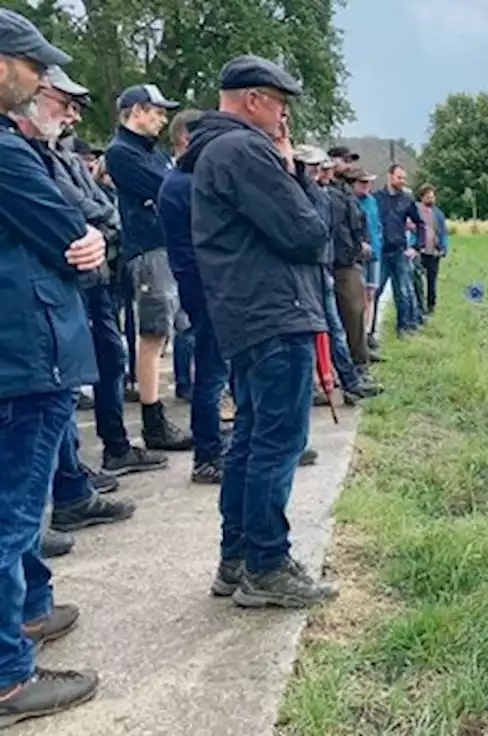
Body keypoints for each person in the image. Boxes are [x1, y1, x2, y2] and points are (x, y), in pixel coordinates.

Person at [180, 54, 337, 607]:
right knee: (278, 444)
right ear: (253, 100)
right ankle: (268, 565)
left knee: (248, 442)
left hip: (246, 316)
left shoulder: (212, 152)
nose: (283, 117)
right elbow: (308, 232)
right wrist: (292, 170)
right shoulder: (246, 150)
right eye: (280, 104)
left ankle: (238, 557)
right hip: (276, 311)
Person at [0, 7, 102, 723]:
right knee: (9, 519)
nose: (39, 79)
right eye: (32, 64)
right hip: (25, 352)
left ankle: (26, 620)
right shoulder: (5, 150)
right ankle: (9, 677)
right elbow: (69, 227)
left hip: (21, 347)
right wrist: (90, 236)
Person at [15, 69, 138, 536]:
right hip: (40, 305)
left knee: (73, 383)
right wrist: (94, 232)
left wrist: (98, 232)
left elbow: (91, 212)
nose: (70, 114)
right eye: (61, 101)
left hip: (70, 290)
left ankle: (68, 489)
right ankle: (67, 492)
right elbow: (69, 220)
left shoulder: (50, 153)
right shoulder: (17, 154)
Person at [46, 72, 169, 479]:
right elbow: (75, 204)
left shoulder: (61, 154)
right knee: (72, 371)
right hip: (80, 270)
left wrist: (104, 221)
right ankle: (73, 475)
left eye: (76, 108)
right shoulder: (101, 153)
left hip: (98, 269)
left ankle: (109, 450)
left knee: (109, 357)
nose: (74, 117)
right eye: (66, 106)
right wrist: (105, 222)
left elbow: (101, 202)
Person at [105, 82, 192, 451]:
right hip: (147, 249)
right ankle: (152, 419)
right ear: (136, 111)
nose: (162, 119)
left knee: (172, 329)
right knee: (152, 335)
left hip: (166, 247)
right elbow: (167, 187)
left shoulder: (148, 151)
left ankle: (158, 415)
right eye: (156, 111)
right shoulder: (122, 152)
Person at [159, 108, 233, 484]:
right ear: (187, 139)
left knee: (217, 370)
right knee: (211, 372)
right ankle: (207, 455)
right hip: (207, 289)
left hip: (205, 286)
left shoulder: (181, 180)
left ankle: (218, 444)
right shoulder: (183, 183)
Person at [324, 146, 375, 369]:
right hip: (339, 260)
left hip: (351, 258)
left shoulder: (345, 190)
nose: (348, 164)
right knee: (349, 313)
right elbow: (336, 228)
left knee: (356, 311)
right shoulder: (328, 192)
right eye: (344, 160)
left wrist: (361, 242)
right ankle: (353, 365)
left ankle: (358, 358)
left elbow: (358, 221)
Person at [372, 163, 424, 337]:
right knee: (375, 291)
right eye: (399, 177)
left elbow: (420, 224)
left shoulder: (407, 200)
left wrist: (416, 247)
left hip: (399, 250)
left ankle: (404, 326)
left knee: (402, 290)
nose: (402, 181)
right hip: (380, 251)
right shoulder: (376, 198)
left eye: (404, 178)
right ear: (390, 176)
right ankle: (370, 330)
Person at [354, 170, 383, 349]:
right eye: (362, 182)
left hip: (375, 253)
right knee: (360, 295)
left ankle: (368, 331)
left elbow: (378, 225)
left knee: (372, 294)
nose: (366, 186)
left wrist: (379, 241)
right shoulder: (352, 202)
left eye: (368, 182)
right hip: (359, 255)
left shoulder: (372, 201)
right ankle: (359, 335)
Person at [414, 184, 449, 317]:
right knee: (417, 281)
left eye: (433, 197)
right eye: (428, 197)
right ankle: (419, 306)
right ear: (422, 197)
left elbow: (443, 232)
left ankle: (431, 306)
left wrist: (444, 247)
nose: (431, 199)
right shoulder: (415, 211)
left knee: (431, 281)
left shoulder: (438, 214)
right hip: (420, 251)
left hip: (434, 252)